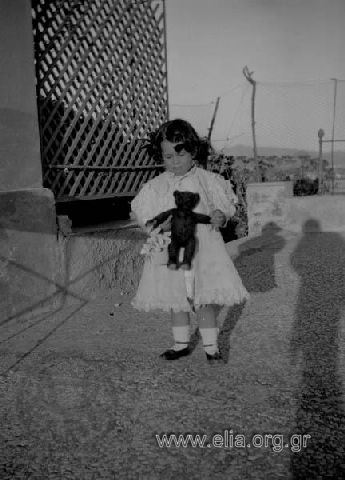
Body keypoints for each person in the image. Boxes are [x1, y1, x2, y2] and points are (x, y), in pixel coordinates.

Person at [130, 119, 249, 363]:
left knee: (203, 299)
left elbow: (223, 208)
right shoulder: (157, 186)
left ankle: (212, 348)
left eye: (179, 154)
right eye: (168, 156)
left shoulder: (208, 181)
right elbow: (145, 216)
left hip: (203, 250)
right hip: (173, 250)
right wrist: (155, 227)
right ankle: (180, 343)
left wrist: (221, 217)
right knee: (178, 301)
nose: (174, 161)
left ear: (193, 151)